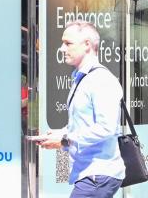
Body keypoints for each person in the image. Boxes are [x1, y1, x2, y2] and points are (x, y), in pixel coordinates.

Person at [35, 20, 124, 197]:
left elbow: (107, 128)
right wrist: (60, 134)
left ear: (87, 45)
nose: (62, 48)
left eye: (68, 43)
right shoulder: (82, 78)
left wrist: (66, 139)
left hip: (98, 174)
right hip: (90, 174)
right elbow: (84, 123)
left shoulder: (100, 80)